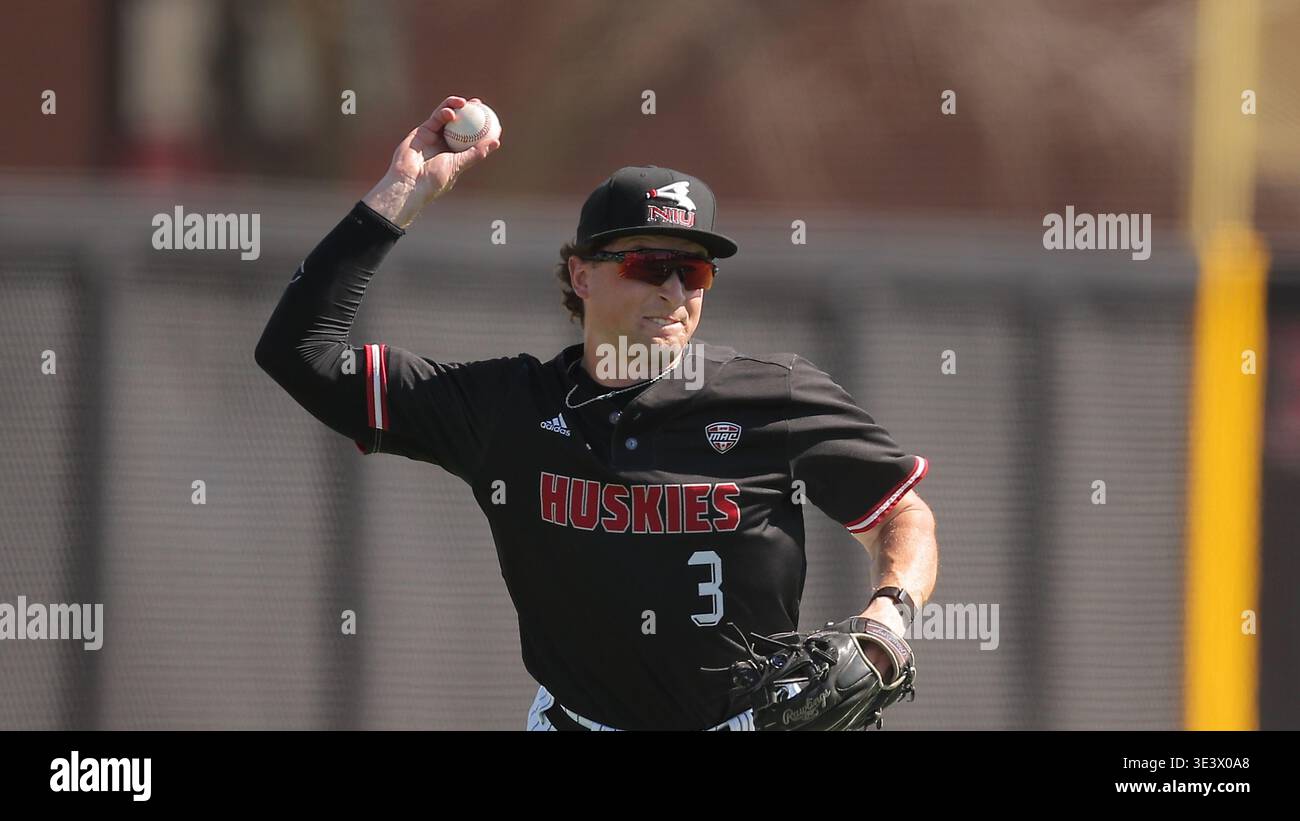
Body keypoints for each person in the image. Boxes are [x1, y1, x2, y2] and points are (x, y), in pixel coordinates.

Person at [255, 95, 939, 731]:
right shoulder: (509, 411)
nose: (674, 289)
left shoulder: (774, 396)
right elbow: (301, 351)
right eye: (649, 263)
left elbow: (902, 513)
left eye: (694, 271)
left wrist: (889, 614)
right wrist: (402, 191)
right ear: (582, 275)